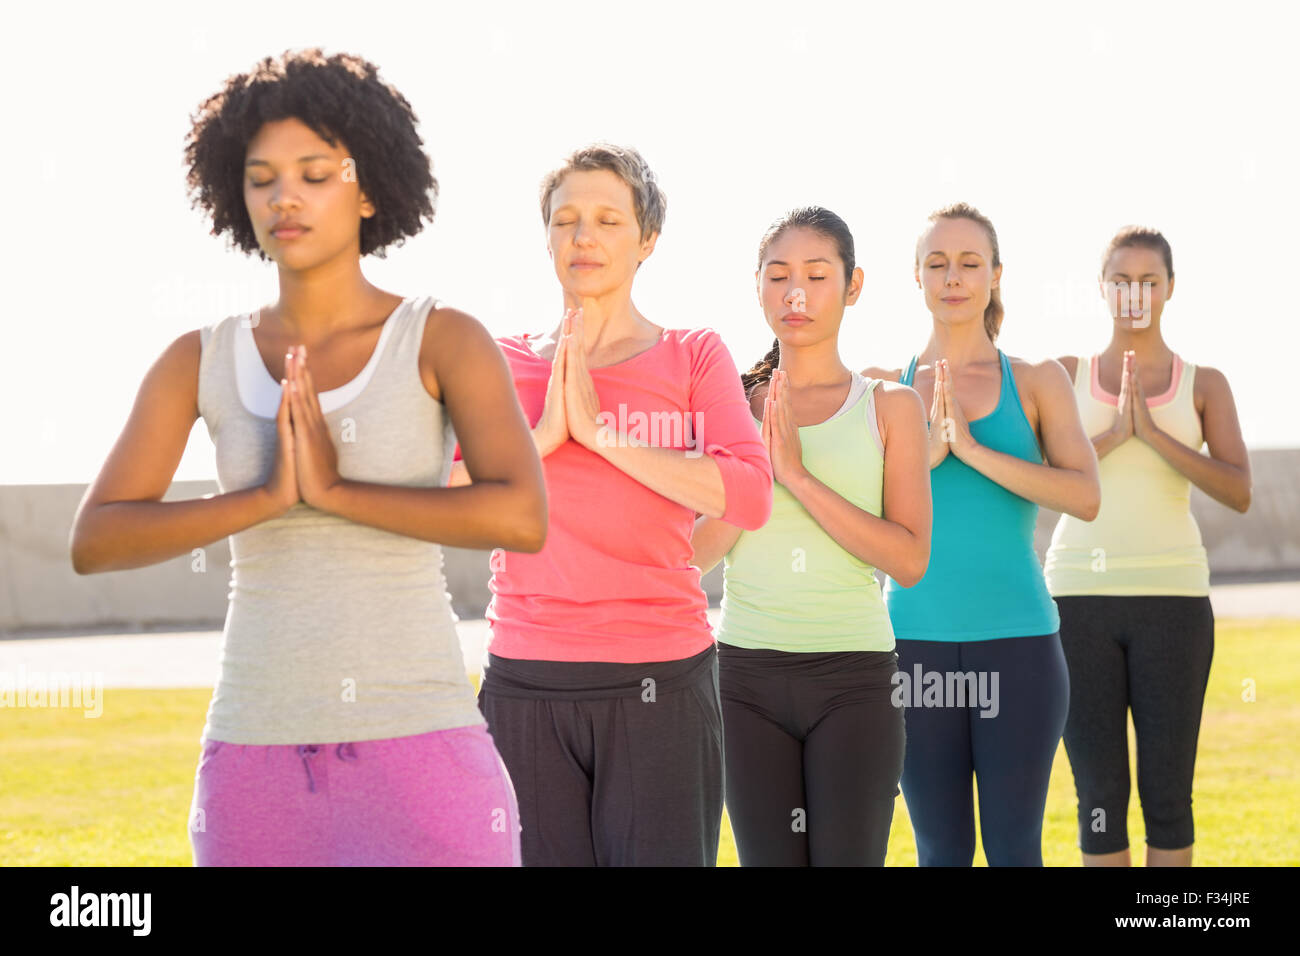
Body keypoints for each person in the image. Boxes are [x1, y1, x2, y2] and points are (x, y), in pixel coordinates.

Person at [68, 49, 546, 866]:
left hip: (423, 746)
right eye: (262, 177)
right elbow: (96, 539)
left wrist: (332, 489)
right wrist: (263, 500)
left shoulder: (442, 339)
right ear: (234, 191)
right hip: (257, 753)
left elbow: (521, 515)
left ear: (367, 189)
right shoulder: (201, 357)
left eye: (315, 173)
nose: (284, 196)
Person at [449, 143, 773, 866]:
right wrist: (542, 438)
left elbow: (749, 493)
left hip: (661, 681)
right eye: (565, 221)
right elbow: (442, 498)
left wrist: (601, 435)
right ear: (547, 240)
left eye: (606, 220)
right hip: (525, 682)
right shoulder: (499, 361)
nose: (583, 237)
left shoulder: (693, 355)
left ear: (646, 240)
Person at [862, 202, 1101, 866]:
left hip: (1020, 648)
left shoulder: (1037, 380)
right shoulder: (882, 389)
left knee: (1014, 847)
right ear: (916, 277)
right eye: (936, 263)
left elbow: (1084, 494)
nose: (953, 277)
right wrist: (926, 459)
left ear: (996, 275)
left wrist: (971, 451)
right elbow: (861, 516)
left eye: (970, 263)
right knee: (940, 851)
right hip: (913, 648)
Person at [691, 207, 931, 866]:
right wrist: (756, 478)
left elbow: (908, 559)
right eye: (779, 276)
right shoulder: (729, 407)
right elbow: (693, 558)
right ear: (759, 288)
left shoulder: (891, 407)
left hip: (854, 680)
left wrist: (795, 474)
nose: (796, 293)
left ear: (853, 286)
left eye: (817, 275)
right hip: (744, 679)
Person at [1044, 226, 1251, 867]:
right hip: (1079, 601)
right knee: (1099, 795)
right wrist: (1116, 435)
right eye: (1122, 280)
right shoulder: (1063, 376)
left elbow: (1239, 490)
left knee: (1168, 795)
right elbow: (1045, 483)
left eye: (1148, 281)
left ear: (1168, 290)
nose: (1135, 293)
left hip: (1174, 602)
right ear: (1103, 290)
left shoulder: (1205, 383)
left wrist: (1156, 435)